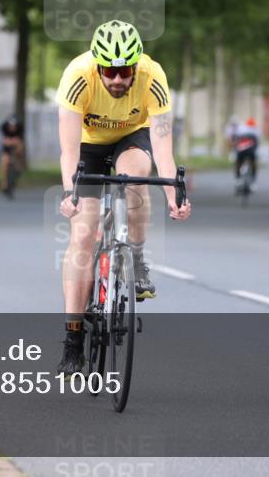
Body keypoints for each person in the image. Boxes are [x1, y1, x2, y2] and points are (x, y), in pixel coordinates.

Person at [54, 20, 192, 378]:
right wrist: (71, 192)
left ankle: (136, 256)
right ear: (98, 66)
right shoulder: (77, 77)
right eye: (111, 72)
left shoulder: (153, 78)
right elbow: (68, 151)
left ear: (136, 66)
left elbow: (163, 150)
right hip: (88, 144)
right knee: (83, 234)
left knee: (135, 177)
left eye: (125, 71)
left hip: (134, 135)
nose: (118, 80)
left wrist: (174, 196)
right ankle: (72, 341)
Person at [0, 114, 25, 198]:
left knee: (20, 149)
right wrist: (12, 141)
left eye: (14, 126)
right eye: (11, 126)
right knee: (4, 162)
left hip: (17, 146)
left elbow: (19, 141)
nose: (12, 128)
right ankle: (4, 185)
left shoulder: (20, 127)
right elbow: (5, 141)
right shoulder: (4, 127)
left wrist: (13, 142)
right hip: (7, 148)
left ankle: (19, 166)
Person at [230, 117, 260, 188]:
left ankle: (237, 179)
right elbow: (257, 143)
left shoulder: (240, 129)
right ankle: (253, 180)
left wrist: (234, 151)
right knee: (253, 163)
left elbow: (235, 140)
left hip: (240, 150)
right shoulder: (256, 130)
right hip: (251, 150)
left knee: (238, 163)